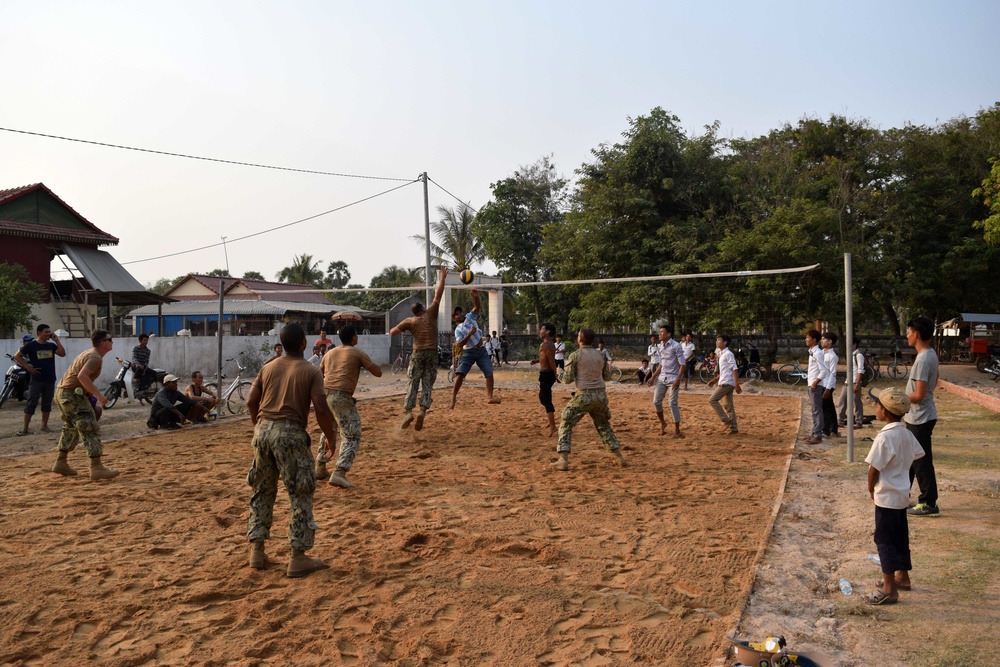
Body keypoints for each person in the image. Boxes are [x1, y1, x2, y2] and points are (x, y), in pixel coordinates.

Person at [245, 323, 338, 578]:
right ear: (303, 344)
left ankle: (257, 551)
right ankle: (298, 557)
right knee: (300, 493)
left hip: (263, 431)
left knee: (262, 490)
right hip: (291, 433)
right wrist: (330, 438)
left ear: (282, 344)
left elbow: (251, 401)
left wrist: (259, 425)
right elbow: (320, 408)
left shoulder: (268, 368)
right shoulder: (310, 371)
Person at [865, 387, 925, 604]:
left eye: (877, 404)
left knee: (884, 540)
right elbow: (918, 455)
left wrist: (871, 488)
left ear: (885, 411)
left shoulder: (884, 438)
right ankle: (903, 577)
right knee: (900, 537)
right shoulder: (907, 434)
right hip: (901, 495)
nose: (875, 408)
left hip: (886, 498)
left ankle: (889, 589)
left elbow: (874, 469)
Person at [316, 325, 383, 488]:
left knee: (329, 429)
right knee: (352, 434)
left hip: (324, 394)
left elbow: (320, 372)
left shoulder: (329, 353)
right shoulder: (357, 352)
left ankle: (320, 465)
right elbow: (378, 373)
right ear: (354, 338)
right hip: (341, 395)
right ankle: (339, 472)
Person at [553, 327, 626, 471]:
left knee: (566, 421)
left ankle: (563, 459)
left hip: (584, 395)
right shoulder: (600, 355)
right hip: (600, 395)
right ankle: (618, 456)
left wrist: (559, 372)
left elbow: (567, 379)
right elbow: (606, 377)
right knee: (603, 424)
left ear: (580, 339)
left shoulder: (575, 355)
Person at [50, 330, 118, 480]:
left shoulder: (89, 354)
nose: (112, 341)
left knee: (70, 428)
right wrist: (99, 395)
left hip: (63, 393)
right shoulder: (95, 358)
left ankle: (61, 462)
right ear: (103, 343)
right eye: (110, 339)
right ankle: (96, 467)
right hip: (72, 395)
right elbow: (82, 376)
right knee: (89, 428)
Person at [389, 266, 447, 431]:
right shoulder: (430, 313)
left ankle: (408, 411)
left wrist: (406, 328)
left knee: (412, 382)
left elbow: (393, 332)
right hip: (432, 353)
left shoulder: (410, 321)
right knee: (428, 383)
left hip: (418, 353)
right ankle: (422, 410)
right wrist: (442, 278)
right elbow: (438, 294)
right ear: (423, 309)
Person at [904, 316, 940, 517]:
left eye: (908, 332)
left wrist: (899, 398)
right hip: (918, 416)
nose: (907, 336)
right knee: (910, 460)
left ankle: (928, 502)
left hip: (921, 417)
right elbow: (935, 382)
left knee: (921, 462)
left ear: (916, 334)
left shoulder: (923, 359)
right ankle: (902, 495)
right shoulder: (930, 354)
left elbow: (918, 395)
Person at [450, 289, 501, 408]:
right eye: (456, 314)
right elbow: (459, 344)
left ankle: (490, 397)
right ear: (454, 318)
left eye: (460, 312)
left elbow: (476, 307)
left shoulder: (470, 318)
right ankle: (453, 398)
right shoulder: (458, 329)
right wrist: (470, 333)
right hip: (469, 352)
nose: (460, 314)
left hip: (481, 350)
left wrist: (476, 297)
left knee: (489, 373)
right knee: (460, 374)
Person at [14, 323, 66, 435]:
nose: (48, 334)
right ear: (39, 333)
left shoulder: (51, 346)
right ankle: (25, 429)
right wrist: (28, 367)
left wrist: (57, 341)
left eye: (49, 332)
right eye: (46, 332)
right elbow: (17, 356)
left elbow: (62, 354)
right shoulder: (31, 345)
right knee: (31, 403)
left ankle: (44, 426)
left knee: (47, 404)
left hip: (50, 379)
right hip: (36, 379)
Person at [653, 325, 686, 438]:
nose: (659, 333)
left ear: (668, 334)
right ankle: (663, 423)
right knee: (656, 402)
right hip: (662, 378)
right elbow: (661, 364)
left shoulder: (676, 346)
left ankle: (677, 431)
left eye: (662, 332)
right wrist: (653, 377)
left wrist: (678, 379)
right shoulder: (660, 346)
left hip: (673, 379)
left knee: (672, 403)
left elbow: (682, 364)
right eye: (660, 331)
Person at [707, 333, 741, 434]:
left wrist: (737, 384)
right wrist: (714, 380)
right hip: (726, 381)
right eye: (717, 340)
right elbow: (724, 372)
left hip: (727, 383)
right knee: (728, 405)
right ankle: (734, 428)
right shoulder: (722, 354)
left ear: (725, 343)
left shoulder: (728, 354)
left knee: (712, 400)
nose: (717, 342)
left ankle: (726, 420)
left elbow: (734, 369)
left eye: (719, 340)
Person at [802, 329, 832, 445]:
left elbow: (823, 371)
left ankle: (818, 435)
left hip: (816, 385)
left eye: (807, 337)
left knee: (817, 410)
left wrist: (815, 383)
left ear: (814, 340)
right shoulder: (812, 352)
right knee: (814, 410)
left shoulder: (818, 353)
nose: (806, 339)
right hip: (811, 384)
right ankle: (814, 432)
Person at [529, 322, 558, 437]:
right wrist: (537, 360)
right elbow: (546, 358)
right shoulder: (551, 344)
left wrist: (556, 375)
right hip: (548, 373)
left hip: (546, 374)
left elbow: (551, 360)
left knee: (545, 399)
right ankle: (550, 420)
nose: (540, 331)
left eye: (542, 329)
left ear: (547, 333)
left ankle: (553, 426)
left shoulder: (544, 345)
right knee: (545, 398)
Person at [838, 338, 865, 428]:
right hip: (847, 382)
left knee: (856, 402)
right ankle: (841, 420)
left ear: (855, 344)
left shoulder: (858, 355)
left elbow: (860, 370)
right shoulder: (850, 355)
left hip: (854, 382)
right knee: (842, 401)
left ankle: (858, 421)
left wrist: (857, 384)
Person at [821, 331, 840, 438]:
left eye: (824, 339)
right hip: (822, 383)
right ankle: (834, 429)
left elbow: (833, 373)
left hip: (828, 384)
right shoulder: (822, 353)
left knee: (825, 408)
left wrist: (828, 389)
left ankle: (826, 430)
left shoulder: (833, 356)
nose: (822, 341)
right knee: (830, 407)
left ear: (830, 341)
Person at [131, 333, 155, 401]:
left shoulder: (148, 351)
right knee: (139, 368)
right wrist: (138, 364)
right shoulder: (135, 348)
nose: (146, 342)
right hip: (136, 367)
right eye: (144, 340)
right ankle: (135, 380)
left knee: (153, 373)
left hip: (143, 367)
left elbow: (146, 361)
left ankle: (141, 386)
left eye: (146, 340)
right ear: (140, 341)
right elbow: (134, 358)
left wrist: (145, 369)